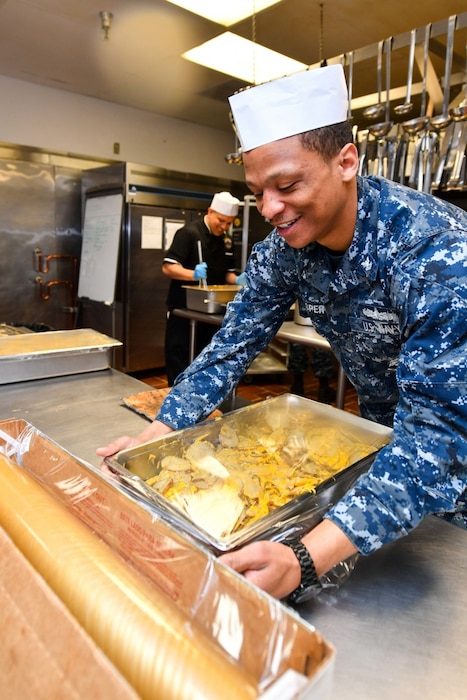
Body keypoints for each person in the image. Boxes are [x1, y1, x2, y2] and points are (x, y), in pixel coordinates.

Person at [98, 64, 467, 604]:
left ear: (346, 162)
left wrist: (304, 559)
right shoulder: (284, 250)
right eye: (256, 191)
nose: (270, 209)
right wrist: (159, 435)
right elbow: (233, 343)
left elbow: (441, 435)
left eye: (288, 185)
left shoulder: (437, 253)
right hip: (386, 447)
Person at [162, 191, 241, 386]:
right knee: (179, 354)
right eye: (221, 221)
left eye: (229, 223)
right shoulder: (188, 233)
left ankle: (198, 399)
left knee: (205, 355)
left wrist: (239, 279)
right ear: (210, 211)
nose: (224, 227)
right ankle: (176, 399)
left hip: (211, 311)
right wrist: (193, 274)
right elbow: (168, 267)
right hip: (184, 308)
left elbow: (227, 274)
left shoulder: (227, 241)